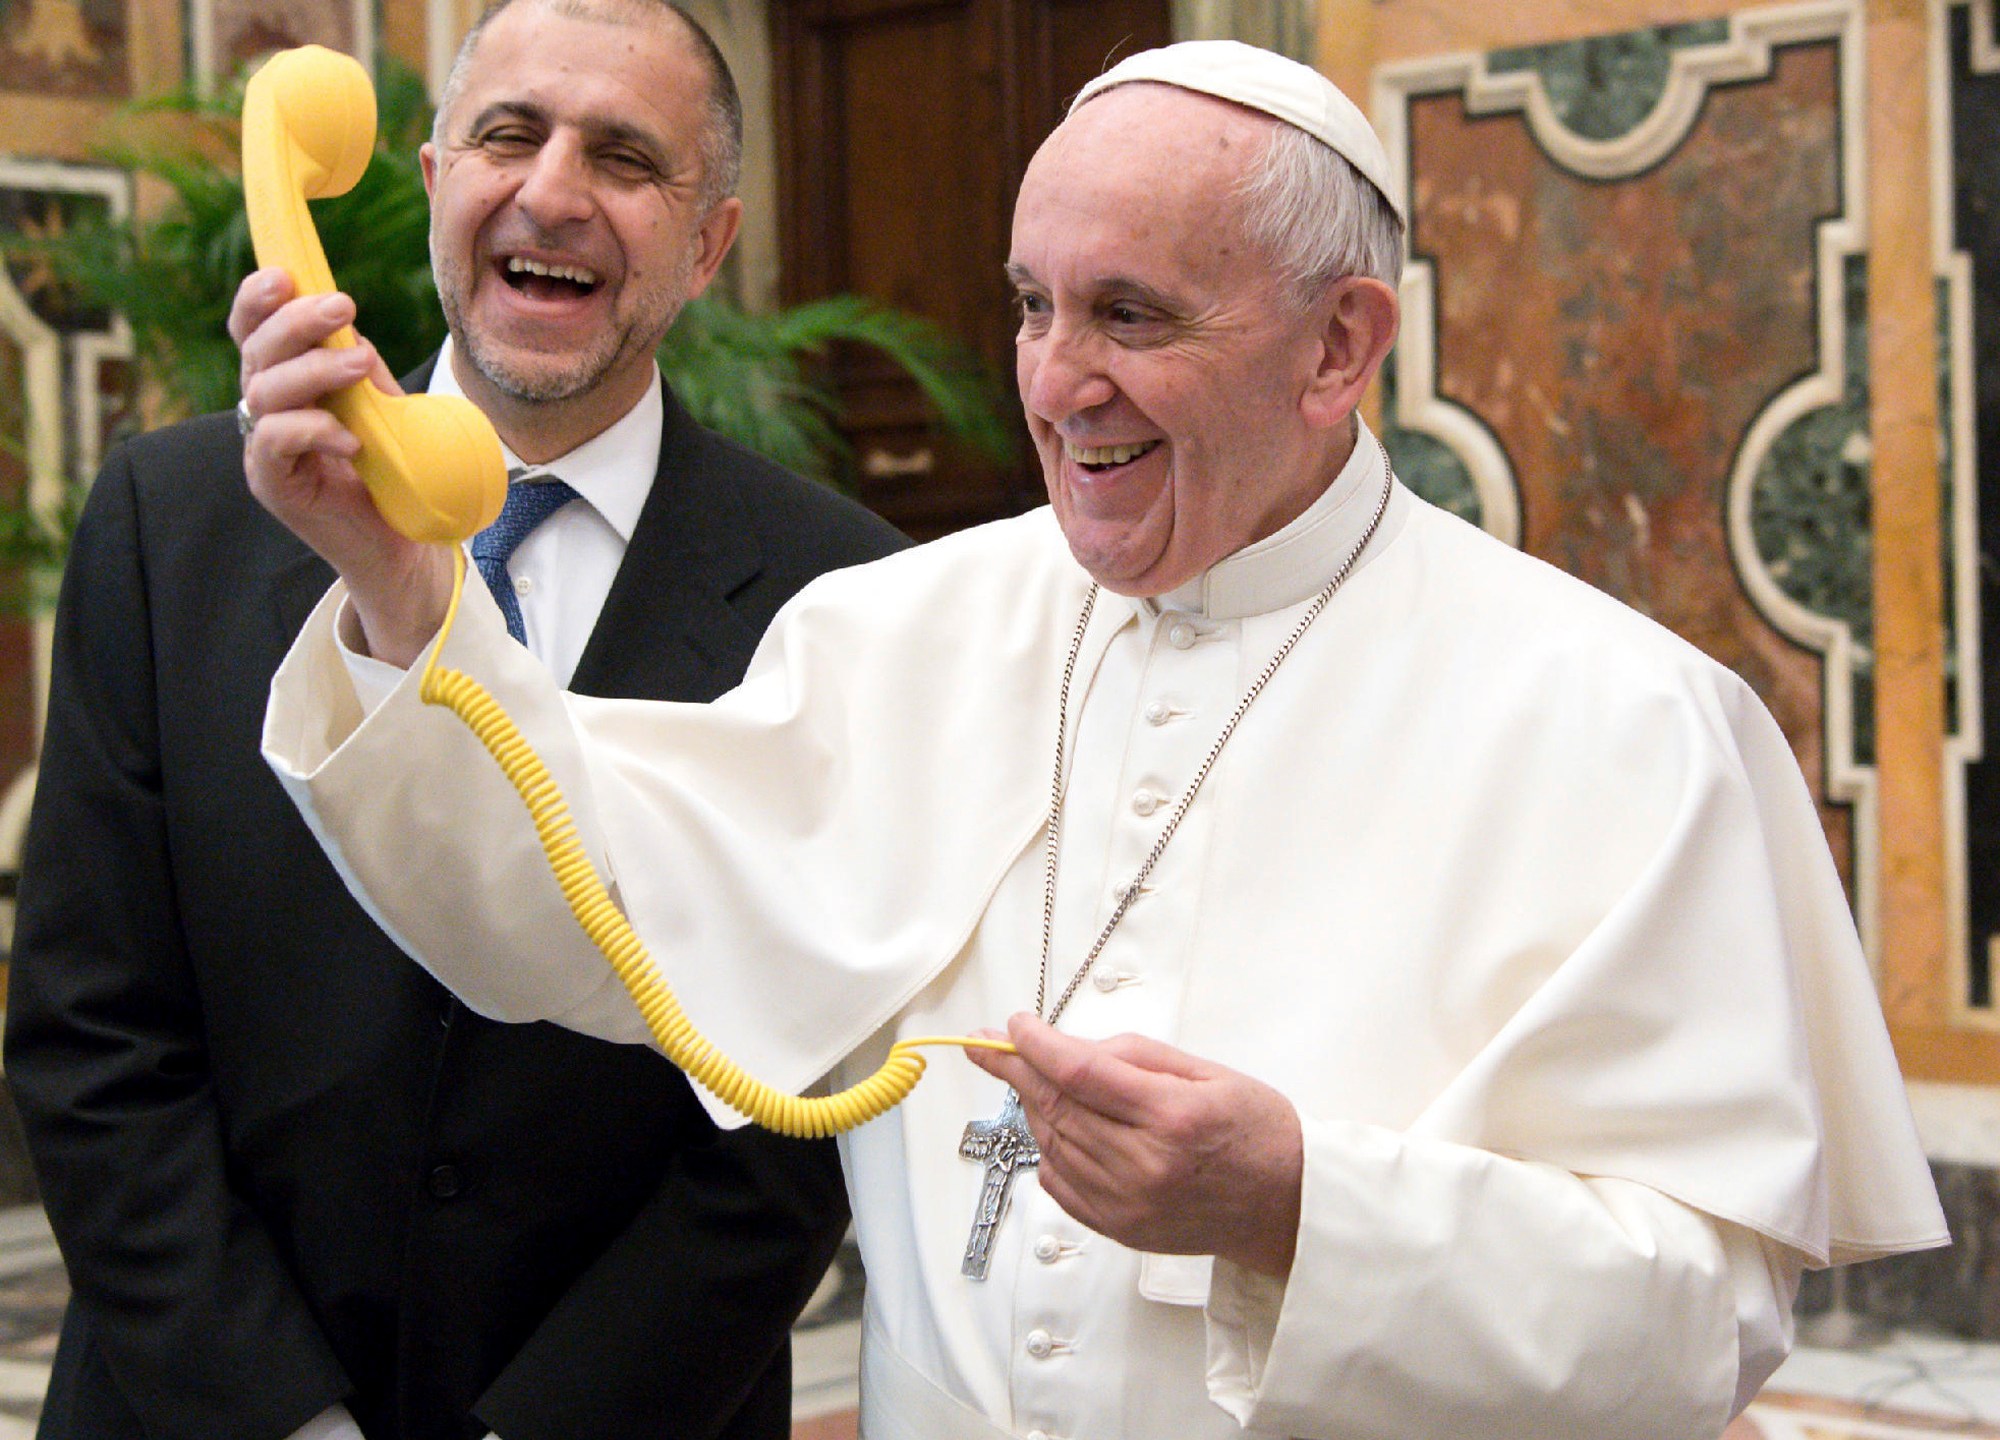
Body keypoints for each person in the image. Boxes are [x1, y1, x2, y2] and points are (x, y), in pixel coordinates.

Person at [250, 38, 1947, 1440]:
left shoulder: (1625, 721)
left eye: (1131, 316)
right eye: (1033, 306)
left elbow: (1696, 1325)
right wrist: (403, 588)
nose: (1055, 384)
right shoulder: (903, 630)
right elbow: (583, 899)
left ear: (1339, 346)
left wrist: (1296, 1206)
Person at [4, 2, 905, 1438]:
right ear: (432, 185)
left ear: (711, 243)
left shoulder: (844, 591)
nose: (552, 191)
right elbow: (92, 1034)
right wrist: (282, 1417)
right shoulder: (168, 524)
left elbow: (794, 1115)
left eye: (625, 158)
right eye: (509, 134)